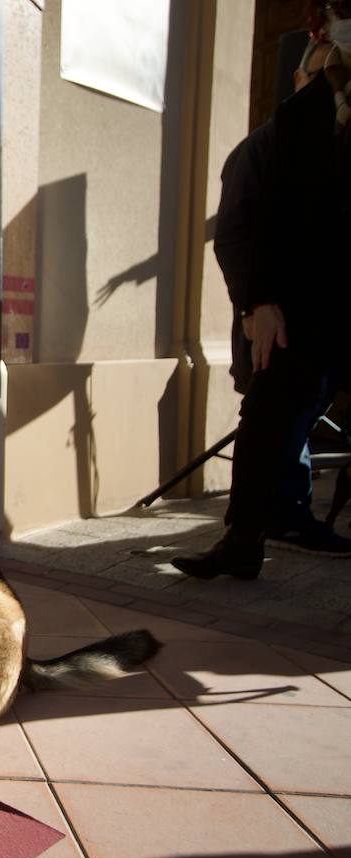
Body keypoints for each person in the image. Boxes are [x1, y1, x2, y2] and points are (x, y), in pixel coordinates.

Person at [173, 5, 351, 579]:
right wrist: (258, 307)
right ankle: (251, 535)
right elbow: (239, 235)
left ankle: (286, 516)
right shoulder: (276, 139)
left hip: (329, 307)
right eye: (322, 69)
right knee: (271, 418)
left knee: (291, 417)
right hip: (282, 307)